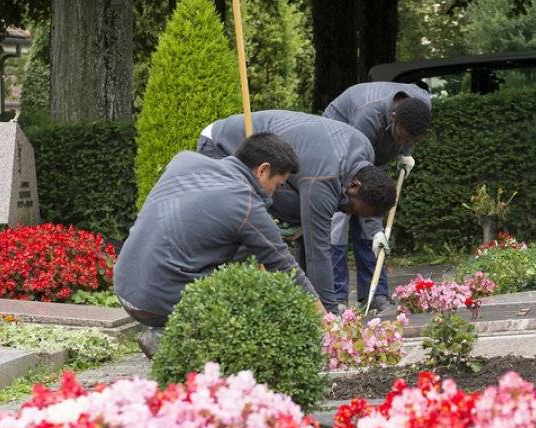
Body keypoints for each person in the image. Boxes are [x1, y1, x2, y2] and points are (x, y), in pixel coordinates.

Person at [114, 133, 322, 358]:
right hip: (155, 303)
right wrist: (327, 324)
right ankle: (171, 338)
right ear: (262, 170)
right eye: (277, 185)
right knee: (257, 301)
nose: (275, 193)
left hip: (125, 286)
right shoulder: (244, 202)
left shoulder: (185, 160)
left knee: (239, 251)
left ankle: (175, 331)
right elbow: (285, 267)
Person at [197, 110, 397, 313]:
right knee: (242, 225)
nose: (349, 213)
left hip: (270, 153)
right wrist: (330, 315)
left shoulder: (364, 153)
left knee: (302, 216)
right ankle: (215, 306)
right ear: (354, 185)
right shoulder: (323, 180)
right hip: (221, 145)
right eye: (354, 209)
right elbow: (317, 251)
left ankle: (300, 308)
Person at [322, 82, 433, 313]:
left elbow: (408, 136)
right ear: (393, 118)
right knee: (339, 221)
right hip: (338, 140)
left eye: (410, 141)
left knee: (371, 225)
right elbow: (363, 176)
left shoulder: (420, 108)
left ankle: (376, 296)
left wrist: (406, 154)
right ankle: (336, 298)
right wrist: (375, 230)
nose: (404, 143)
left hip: (371, 152)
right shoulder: (367, 116)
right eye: (401, 139)